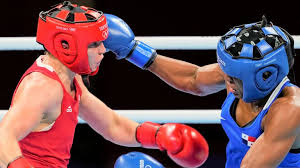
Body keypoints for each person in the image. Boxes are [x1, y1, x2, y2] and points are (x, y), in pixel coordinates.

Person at [0, 1, 209, 168]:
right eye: (94, 44)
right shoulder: (43, 86)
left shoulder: (70, 79)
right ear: (66, 45)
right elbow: (3, 137)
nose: (103, 50)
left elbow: (111, 124)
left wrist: (157, 135)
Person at [104, 14, 300, 167]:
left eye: (233, 78)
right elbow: (193, 79)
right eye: (226, 73)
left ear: (264, 76)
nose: (226, 81)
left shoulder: (289, 110)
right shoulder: (237, 77)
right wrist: (133, 51)